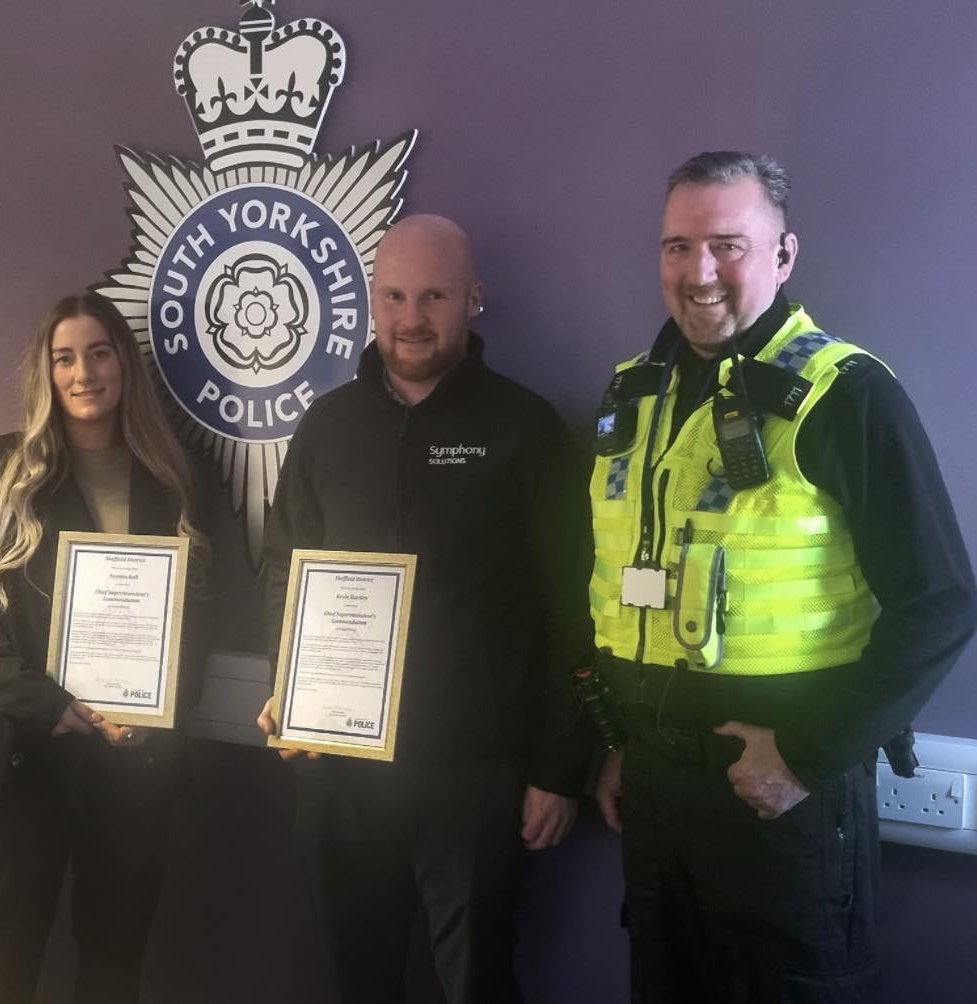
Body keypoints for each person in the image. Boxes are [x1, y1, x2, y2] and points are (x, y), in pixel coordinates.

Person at [589, 151, 977, 1002]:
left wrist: (805, 757)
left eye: (727, 245)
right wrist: (623, 742)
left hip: (785, 800)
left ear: (784, 255)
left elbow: (943, 601)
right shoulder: (633, 394)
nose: (699, 272)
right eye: (678, 246)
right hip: (654, 788)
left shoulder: (845, 393)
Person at [257, 214, 595, 1003]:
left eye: (435, 296)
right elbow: (283, 569)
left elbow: (573, 606)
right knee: (358, 982)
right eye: (395, 296)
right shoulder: (327, 426)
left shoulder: (525, 428)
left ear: (473, 299)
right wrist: (292, 684)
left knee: (478, 985)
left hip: (473, 780)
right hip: (339, 773)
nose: (412, 318)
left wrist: (559, 768)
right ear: (372, 300)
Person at [0, 290, 210, 1004]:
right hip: (21, 758)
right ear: (46, 371)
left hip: (133, 764)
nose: (83, 373)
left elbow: (200, 619)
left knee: (114, 965)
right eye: (64, 358)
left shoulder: (177, 474)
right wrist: (47, 705)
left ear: (124, 364)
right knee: (1, 963)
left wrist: (156, 708)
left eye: (98, 354)